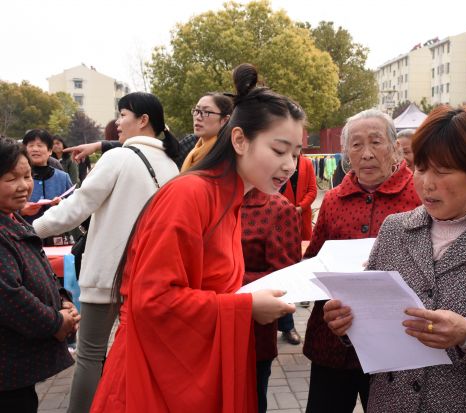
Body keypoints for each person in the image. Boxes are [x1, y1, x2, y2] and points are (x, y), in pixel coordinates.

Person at [90, 63, 302, 413]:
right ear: (239, 139)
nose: (290, 165)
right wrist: (245, 307)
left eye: (296, 153)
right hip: (154, 382)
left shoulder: (230, 199)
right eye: (279, 151)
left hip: (187, 374)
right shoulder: (190, 195)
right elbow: (152, 301)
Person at [323, 105, 466, 412]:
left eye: (442, 171)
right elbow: (373, 314)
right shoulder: (395, 229)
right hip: (392, 403)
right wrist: (348, 323)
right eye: (420, 168)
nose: (427, 183)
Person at [33, 92, 180, 413]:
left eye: (123, 114)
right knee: (139, 355)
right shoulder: (172, 166)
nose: (117, 123)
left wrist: (31, 231)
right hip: (151, 279)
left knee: (90, 355)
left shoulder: (119, 159)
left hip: (108, 277)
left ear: (143, 120)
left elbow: (77, 207)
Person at [303, 109, 422, 413]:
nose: (367, 153)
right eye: (356, 145)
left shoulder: (419, 195)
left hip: (396, 344)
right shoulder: (332, 200)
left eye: (376, 142)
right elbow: (314, 260)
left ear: (395, 147)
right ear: (346, 153)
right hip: (335, 338)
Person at [0, 137, 79, 413]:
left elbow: (41, 267)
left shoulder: (13, 217)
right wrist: (56, 321)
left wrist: (63, 300)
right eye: (11, 178)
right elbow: (9, 296)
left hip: (18, 370)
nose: (24, 186)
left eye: (27, 176)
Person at [241, 188, 301, 413]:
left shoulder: (277, 208)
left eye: (292, 155)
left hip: (252, 337)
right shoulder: (202, 197)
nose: (287, 165)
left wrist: (222, 281)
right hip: (203, 330)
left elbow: (286, 278)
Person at [66, 93, 234, 170]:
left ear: (225, 119)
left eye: (206, 112)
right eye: (196, 111)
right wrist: (98, 145)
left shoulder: (230, 152)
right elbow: (155, 147)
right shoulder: (192, 145)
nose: (198, 117)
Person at [278, 152, 317, 344]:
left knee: (304, 257)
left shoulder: (307, 163)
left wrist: (300, 207)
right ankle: (287, 319)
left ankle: (304, 293)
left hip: (302, 217)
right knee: (285, 262)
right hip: (280, 217)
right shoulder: (276, 160)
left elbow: (312, 190)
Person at [20, 129, 73, 225]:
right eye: (31, 145)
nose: (35, 149)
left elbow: (75, 205)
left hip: (56, 234)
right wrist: (21, 211)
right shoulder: (17, 177)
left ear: (49, 151)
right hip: (24, 235)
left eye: (40, 145)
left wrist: (63, 204)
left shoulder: (63, 177)